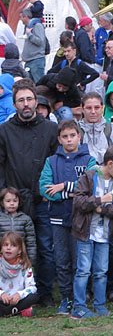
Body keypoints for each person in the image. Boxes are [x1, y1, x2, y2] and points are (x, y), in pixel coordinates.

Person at [0, 80, 58, 305]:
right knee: (11, 247)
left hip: (43, 199)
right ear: (14, 104)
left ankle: (44, 292)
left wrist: (50, 191)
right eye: (21, 100)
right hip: (14, 201)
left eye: (29, 99)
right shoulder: (4, 131)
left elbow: (56, 163)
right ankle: (11, 292)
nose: (26, 104)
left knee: (44, 247)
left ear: (36, 101)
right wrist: (5, 196)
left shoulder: (51, 129)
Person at [38, 119, 96, 315]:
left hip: (82, 218)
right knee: (62, 261)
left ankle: (81, 297)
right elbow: (44, 189)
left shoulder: (89, 160)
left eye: (72, 135)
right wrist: (69, 194)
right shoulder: (51, 161)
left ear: (79, 136)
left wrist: (63, 186)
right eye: (65, 136)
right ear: (59, 139)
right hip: (58, 218)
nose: (69, 140)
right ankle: (66, 297)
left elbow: (90, 186)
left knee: (80, 261)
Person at [70, 145, 113, 319]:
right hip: (86, 233)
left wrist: (103, 209)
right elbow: (78, 201)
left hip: (104, 234)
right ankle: (79, 306)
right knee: (83, 271)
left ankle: (100, 305)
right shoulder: (89, 176)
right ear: (110, 164)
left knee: (101, 271)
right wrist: (99, 200)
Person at [78, 92, 113, 164]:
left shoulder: (112, 129)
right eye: (89, 108)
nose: (93, 112)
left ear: (102, 108)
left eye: (97, 108)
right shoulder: (75, 130)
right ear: (82, 109)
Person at [0, 232, 39, 317]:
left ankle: (7, 312)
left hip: (17, 300)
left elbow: (32, 287)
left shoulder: (25, 265)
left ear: (19, 250)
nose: (8, 248)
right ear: (1, 248)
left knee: (34, 297)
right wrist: (1, 294)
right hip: (2, 300)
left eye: (13, 245)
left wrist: (19, 294)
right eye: (6, 245)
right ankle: (17, 311)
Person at [0, 188, 36, 265]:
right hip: (2, 258)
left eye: (15, 201)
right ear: (2, 202)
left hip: (20, 258)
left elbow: (31, 242)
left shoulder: (26, 219)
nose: (12, 203)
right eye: (8, 201)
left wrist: (31, 261)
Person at [19, 8, 46, 82]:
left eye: (21, 17)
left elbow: (40, 41)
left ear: (26, 17)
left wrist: (29, 34)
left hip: (36, 61)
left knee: (38, 84)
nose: (20, 19)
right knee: (28, 84)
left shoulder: (37, 26)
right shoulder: (28, 27)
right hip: (29, 61)